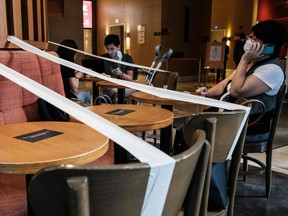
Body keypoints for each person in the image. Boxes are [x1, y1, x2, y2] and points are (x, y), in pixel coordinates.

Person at [196, 19, 287, 142]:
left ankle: (209, 160)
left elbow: (236, 91)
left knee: (194, 132)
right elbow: (225, 84)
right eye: (249, 38)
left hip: (248, 127)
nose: (249, 42)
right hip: (231, 120)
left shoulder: (271, 70)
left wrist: (244, 59)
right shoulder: (251, 64)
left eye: (254, 39)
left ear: (268, 46)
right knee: (189, 126)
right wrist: (207, 92)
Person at [101, 34, 135, 103]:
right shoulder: (103, 58)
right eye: (107, 49)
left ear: (118, 47)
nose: (109, 52)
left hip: (125, 87)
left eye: (112, 49)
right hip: (109, 87)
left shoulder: (127, 58)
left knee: (140, 88)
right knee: (113, 92)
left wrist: (121, 74)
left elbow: (130, 78)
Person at [57, 39, 91, 106]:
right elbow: (75, 88)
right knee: (87, 94)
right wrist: (78, 75)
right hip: (67, 99)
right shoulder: (68, 65)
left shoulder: (57, 61)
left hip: (56, 97)